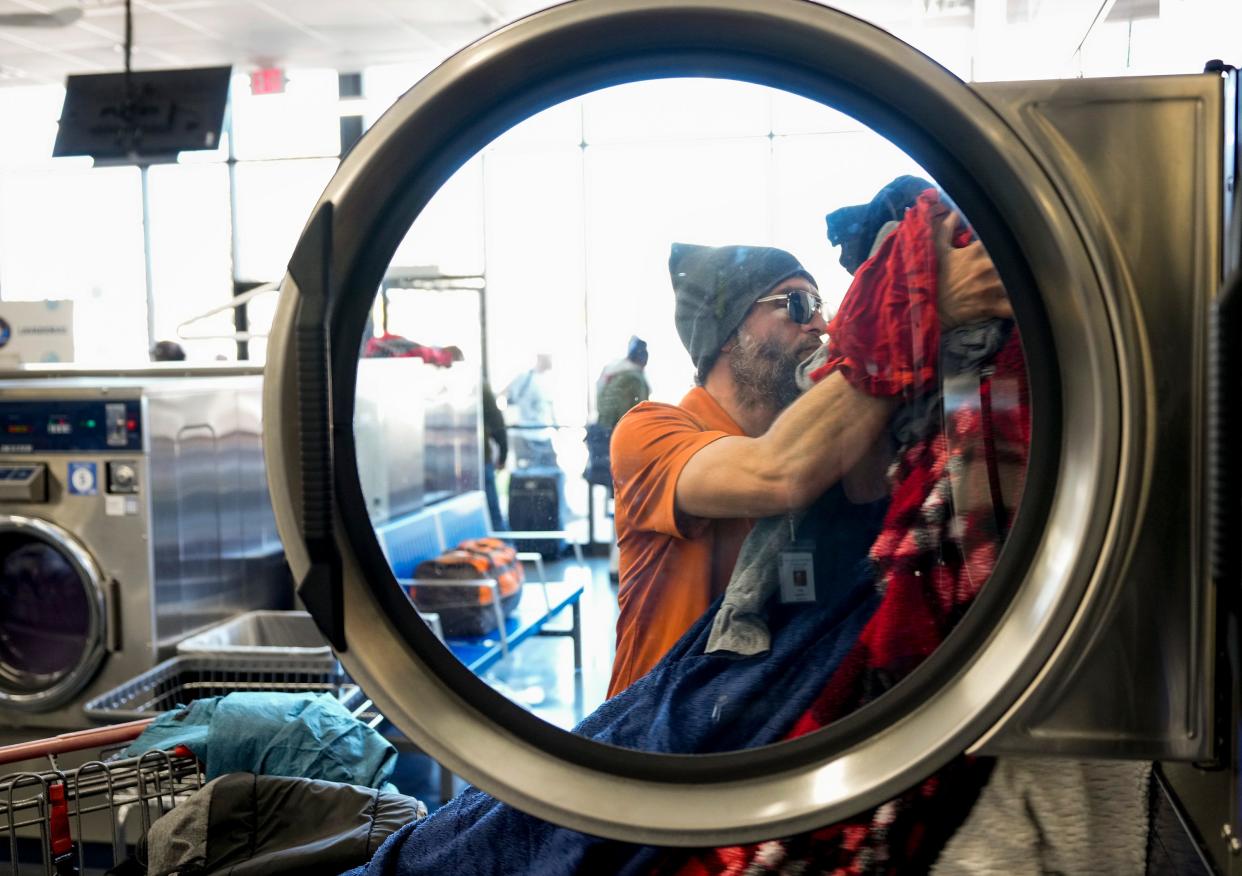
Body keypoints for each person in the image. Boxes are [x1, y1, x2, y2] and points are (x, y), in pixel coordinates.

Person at [607, 229, 1008, 696]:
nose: (822, 326)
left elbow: (868, 495)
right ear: (727, 334)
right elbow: (775, 472)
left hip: (764, 720)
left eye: (823, 308)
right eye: (797, 305)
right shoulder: (647, 432)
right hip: (657, 738)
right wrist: (919, 312)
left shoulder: (823, 440)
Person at [502, 353, 558, 470]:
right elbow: (504, 393)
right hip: (527, 435)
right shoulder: (525, 378)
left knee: (551, 475)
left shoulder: (548, 380)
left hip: (544, 435)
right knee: (530, 478)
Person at [481, 381, 508, 531]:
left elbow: (496, 421)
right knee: (493, 514)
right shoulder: (478, 384)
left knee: (493, 514)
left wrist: (503, 454)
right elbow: (497, 421)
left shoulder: (477, 384)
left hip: (480, 460)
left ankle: (502, 549)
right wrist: (503, 454)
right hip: (480, 460)